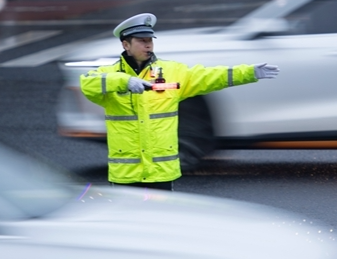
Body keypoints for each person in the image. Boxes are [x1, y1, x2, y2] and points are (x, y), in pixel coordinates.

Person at [80, 13, 279, 191]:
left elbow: (210, 76)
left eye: (150, 40)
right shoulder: (108, 75)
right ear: (126, 44)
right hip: (126, 175)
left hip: (161, 173)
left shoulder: (172, 71)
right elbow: (88, 83)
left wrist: (250, 73)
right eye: (141, 41)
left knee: (160, 227)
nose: (148, 45)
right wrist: (125, 81)